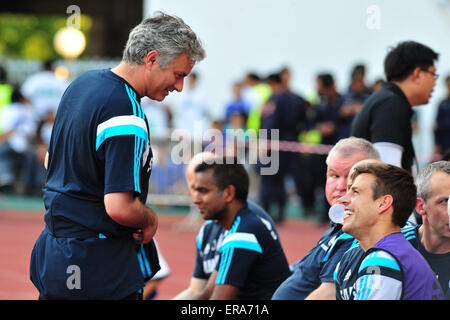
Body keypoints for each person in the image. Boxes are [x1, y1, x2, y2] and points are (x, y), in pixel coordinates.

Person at [29, 12, 205, 300]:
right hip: (96, 261)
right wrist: (150, 220)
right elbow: (119, 207)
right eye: (178, 74)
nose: (179, 86)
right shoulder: (126, 113)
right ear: (151, 59)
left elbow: (51, 160)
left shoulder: (80, 86)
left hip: (54, 251)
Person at [271, 137, 380, 300]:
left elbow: (329, 294)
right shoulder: (339, 227)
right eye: (334, 175)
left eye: (351, 177)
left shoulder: (357, 234)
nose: (341, 186)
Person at [335, 160, 450, 300]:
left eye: (355, 192)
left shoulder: (384, 259)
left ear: (383, 203)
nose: (342, 200)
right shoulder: (398, 252)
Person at [188, 156, 291, 300]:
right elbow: (206, 294)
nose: (196, 199)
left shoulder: (243, 233)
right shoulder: (240, 225)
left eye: (203, 191)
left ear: (228, 193)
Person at [351, 41, 439, 177]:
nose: (434, 83)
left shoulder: (388, 100)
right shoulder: (390, 105)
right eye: (433, 75)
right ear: (417, 74)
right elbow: (388, 174)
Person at [0, 87, 35, 193]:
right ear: (21, 98)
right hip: (26, 145)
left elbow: (7, 131)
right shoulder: (29, 110)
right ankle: (28, 185)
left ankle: (6, 179)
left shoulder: (7, 109)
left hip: (11, 143)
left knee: (2, 154)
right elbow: (30, 133)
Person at [434, 75, 450, 157]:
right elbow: (437, 126)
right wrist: (436, 144)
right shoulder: (442, 103)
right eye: (447, 86)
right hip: (444, 144)